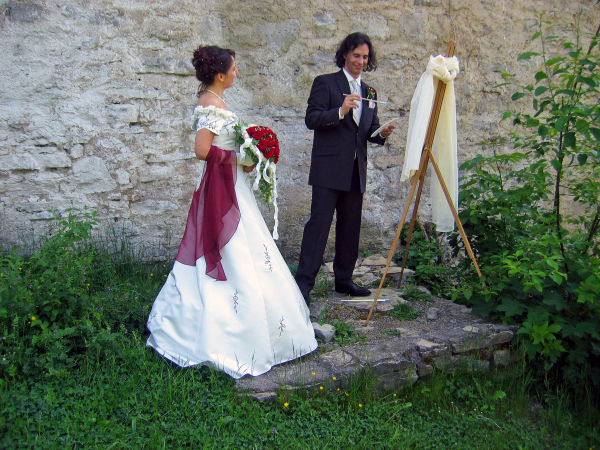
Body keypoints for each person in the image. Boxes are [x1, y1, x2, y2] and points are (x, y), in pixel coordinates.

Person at [146, 45, 317, 379]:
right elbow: (202, 150)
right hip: (221, 188)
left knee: (248, 248)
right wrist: (240, 158)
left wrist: (252, 153)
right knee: (231, 249)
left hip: (233, 185)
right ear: (220, 74)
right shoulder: (210, 105)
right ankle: (224, 332)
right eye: (234, 68)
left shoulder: (216, 101)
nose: (237, 72)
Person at [295, 32, 395, 305]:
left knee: (350, 227)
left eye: (365, 57)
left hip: (355, 171)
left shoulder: (370, 92)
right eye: (356, 56)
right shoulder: (326, 83)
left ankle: (344, 279)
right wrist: (340, 111)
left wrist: (382, 133)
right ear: (345, 55)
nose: (361, 62)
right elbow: (312, 119)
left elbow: (368, 132)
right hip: (328, 169)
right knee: (318, 226)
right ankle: (303, 285)